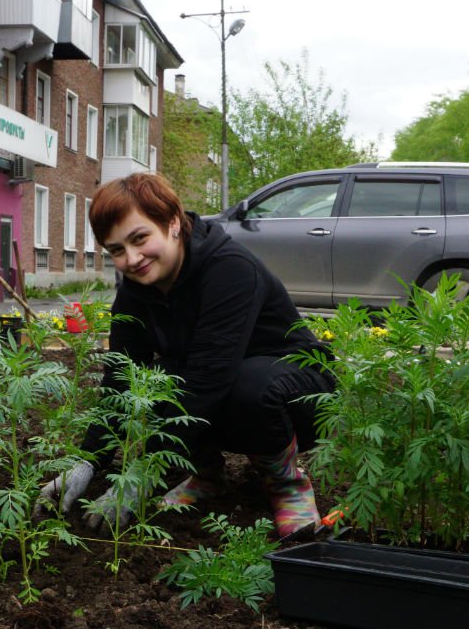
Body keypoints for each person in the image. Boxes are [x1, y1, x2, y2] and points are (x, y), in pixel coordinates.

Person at [38, 173, 334, 538]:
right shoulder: (136, 291)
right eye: (116, 250)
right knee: (160, 379)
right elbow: (120, 379)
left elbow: (209, 379)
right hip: (221, 379)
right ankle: (208, 475)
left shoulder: (229, 268)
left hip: (299, 389)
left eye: (139, 238)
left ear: (173, 223)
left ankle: (286, 483)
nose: (131, 258)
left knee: (239, 386)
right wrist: (86, 462)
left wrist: (143, 476)